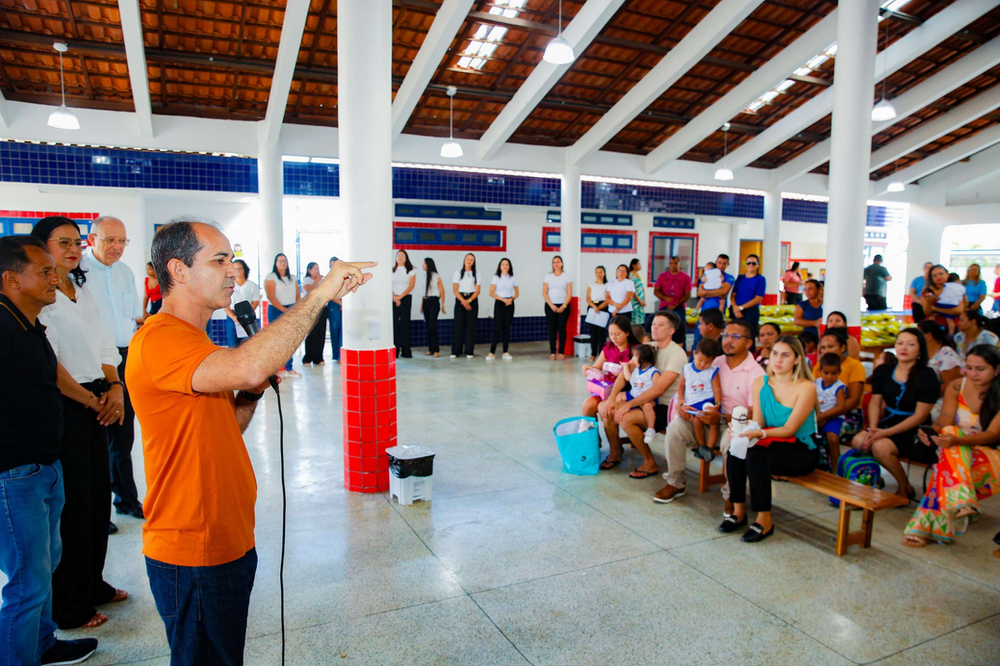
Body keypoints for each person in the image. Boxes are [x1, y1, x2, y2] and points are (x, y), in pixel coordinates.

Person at [127, 220, 374, 665]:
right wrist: (319, 294)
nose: (231, 270)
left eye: (231, 259)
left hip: (228, 537)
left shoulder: (194, 340)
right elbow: (247, 364)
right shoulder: (161, 339)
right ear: (178, 270)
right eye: (218, 260)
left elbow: (224, 426)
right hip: (192, 547)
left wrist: (253, 391)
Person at [0, 235, 99, 666]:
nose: (54, 279)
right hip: (13, 473)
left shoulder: (29, 321)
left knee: (46, 563)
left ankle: (42, 645)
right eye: (44, 271)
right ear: (10, 279)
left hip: (44, 464)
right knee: (27, 581)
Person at [32, 217, 128, 630]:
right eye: (63, 242)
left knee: (96, 499)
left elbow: (105, 341)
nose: (73, 249)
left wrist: (114, 387)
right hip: (68, 402)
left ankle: (94, 582)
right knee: (72, 506)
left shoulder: (80, 285)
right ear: (41, 248)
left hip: (98, 393)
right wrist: (92, 399)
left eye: (75, 242)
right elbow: (48, 361)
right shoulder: (41, 292)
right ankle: (70, 604)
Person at [655, 319, 766, 508]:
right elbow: (688, 385)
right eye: (725, 335)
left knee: (734, 443)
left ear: (749, 343)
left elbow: (755, 415)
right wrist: (682, 405)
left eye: (735, 336)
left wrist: (722, 417)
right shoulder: (715, 362)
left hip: (732, 425)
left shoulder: (756, 373)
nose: (728, 340)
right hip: (699, 419)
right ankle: (675, 482)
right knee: (674, 428)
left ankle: (731, 496)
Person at [721, 335, 819, 542]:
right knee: (736, 448)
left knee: (755, 455)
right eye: (775, 354)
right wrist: (740, 430)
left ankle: (764, 519)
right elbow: (759, 422)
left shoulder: (806, 387)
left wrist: (758, 434)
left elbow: (789, 429)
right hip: (773, 443)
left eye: (785, 355)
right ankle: (738, 511)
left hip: (801, 449)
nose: (778, 360)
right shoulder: (760, 383)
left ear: (797, 359)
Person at [81, 215, 146, 523]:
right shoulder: (77, 273)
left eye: (122, 241)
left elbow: (135, 316)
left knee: (123, 435)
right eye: (110, 240)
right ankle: (98, 509)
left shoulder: (125, 272)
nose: (117, 247)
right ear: (92, 239)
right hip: (92, 363)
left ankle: (126, 498)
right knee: (97, 438)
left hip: (125, 358)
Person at [903, 345, 1000, 547]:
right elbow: (944, 421)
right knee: (949, 434)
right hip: (957, 452)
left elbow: (992, 435)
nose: (973, 374)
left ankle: (927, 525)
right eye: (969, 368)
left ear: (997, 370)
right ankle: (960, 501)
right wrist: (930, 431)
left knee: (945, 467)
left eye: (980, 369)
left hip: (991, 454)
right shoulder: (957, 386)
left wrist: (956, 441)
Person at [851, 328, 941, 500]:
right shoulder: (884, 371)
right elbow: (875, 403)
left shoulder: (927, 377)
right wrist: (873, 429)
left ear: (920, 350)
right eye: (900, 343)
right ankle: (873, 479)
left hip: (914, 429)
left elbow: (920, 416)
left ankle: (904, 486)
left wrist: (884, 434)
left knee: (880, 446)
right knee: (859, 441)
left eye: (911, 344)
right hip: (887, 423)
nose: (904, 348)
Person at [599, 311, 687, 479]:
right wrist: (611, 399)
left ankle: (649, 461)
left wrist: (629, 404)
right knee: (604, 407)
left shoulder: (677, 354)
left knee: (626, 417)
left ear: (671, 330)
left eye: (661, 325)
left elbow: (659, 389)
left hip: (664, 406)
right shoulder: (649, 347)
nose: (655, 327)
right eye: (654, 323)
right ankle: (615, 451)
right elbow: (626, 372)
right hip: (641, 397)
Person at [812, 328, 866, 456]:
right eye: (823, 348)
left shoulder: (855, 366)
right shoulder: (820, 366)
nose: (826, 351)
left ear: (842, 348)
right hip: (822, 412)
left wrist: (825, 416)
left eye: (831, 346)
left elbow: (853, 400)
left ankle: (832, 472)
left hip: (848, 414)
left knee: (826, 436)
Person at [581, 316, 639, 419]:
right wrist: (589, 370)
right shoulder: (608, 348)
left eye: (617, 334)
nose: (613, 338)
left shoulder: (636, 350)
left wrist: (623, 374)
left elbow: (641, 375)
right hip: (609, 387)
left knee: (605, 410)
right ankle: (593, 434)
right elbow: (596, 367)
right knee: (588, 406)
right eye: (611, 334)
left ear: (627, 333)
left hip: (627, 389)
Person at [682, 337, 723, 463]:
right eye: (700, 360)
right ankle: (701, 447)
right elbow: (681, 386)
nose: (703, 364)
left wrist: (717, 404)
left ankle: (709, 448)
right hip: (693, 404)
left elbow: (717, 390)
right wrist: (681, 400)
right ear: (694, 353)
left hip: (708, 401)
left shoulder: (712, 372)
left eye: (707, 362)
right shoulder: (687, 369)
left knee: (713, 422)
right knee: (696, 422)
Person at [264, 253, 301, 377]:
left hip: (291, 308)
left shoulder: (292, 277)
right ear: (276, 263)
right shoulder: (271, 277)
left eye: (284, 260)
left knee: (290, 339)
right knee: (276, 339)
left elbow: (297, 294)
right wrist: (284, 310)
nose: (283, 263)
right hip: (276, 309)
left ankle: (289, 367)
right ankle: (275, 369)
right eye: (280, 261)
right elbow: (271, 296)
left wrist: (294, 308)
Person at [618, 344, 661, 445]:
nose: (633, 359)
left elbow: (658, 388)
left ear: (642, 359)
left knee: (647, 406)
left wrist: (648, 397)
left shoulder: (653, 372)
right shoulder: (637, 370)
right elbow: (628, 378)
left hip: (647, 398)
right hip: (634, 395)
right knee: (618, 396)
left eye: (635, 357)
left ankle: (651, 429)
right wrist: (625, 366)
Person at [693, 254, 734, 348]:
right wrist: (717, 292)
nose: (721, 265)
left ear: (728, 264)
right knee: (698, 343)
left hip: (718, 316)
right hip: (704, 315)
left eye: (724, 263)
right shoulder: (707, 275)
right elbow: (700, 292)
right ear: (716, 262)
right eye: (719, 263)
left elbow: (724, 291)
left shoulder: (729, 277)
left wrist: (707, 292)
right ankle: (694, 362)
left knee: (717, 345)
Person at [815, 353, 847, 469]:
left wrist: (824, 416)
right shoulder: (816, 383)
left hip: (833, 417)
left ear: (840, 372)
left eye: (834, 373)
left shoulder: (839, 386)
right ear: (820, 370)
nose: (829, 377)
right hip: (817, 415)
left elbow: (840, 407)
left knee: (832, 438)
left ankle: (836, 468)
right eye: (826, 373)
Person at [653, 256, 692, 348]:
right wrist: (665, 298)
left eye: (675, 263)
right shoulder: (662, 276)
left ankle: (682, 352)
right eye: (671, 263)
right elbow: (656, 291)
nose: (673, 265)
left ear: (679, 264)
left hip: (679, 307)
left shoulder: (685, 277)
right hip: (664, 307)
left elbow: (687, 294)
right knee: (660, 330)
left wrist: (676, 303)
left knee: (680, 331)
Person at [917, 320, 962, 398]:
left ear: (928, 336)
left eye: (918, 334)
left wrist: (926, 395)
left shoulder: (947, 354)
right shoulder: (921, 353)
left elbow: (951, 385)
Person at [223, 259, 260, 349]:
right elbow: (225, 304)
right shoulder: (228, 285)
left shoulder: (252, 285)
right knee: (232, 345)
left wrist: (246, 315)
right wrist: (234, 318)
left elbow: (255, 301)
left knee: (248, 345)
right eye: (235, 269)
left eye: (240, 269)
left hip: (247, 316)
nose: (238, 271)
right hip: (232, 317)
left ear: (245, 270)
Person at [487, 257, 518, 361]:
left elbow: (517, 293)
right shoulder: (496, 277)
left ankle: (505, 351)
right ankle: (492, 352)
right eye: (503, 264)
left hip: (510, 304)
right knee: (497, 328)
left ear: (509, 267)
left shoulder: (513, 277)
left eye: (507, 264)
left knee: (506, 328)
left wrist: (511, 299)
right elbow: (491, 293)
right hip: (500, 303)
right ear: (500, 266)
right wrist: (502, 300)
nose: (505, 266)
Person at [543, 255, 573, 361]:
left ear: (562, 263)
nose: (556, 264)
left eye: (558, 262)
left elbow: (569, 293)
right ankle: (552, 352)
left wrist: (563, 306)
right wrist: (552, 305)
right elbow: (545, 293)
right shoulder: (548, 276)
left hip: (563, 306)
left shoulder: (566, 276)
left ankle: (561, 352)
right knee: (552, 329)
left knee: (562, 328)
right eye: (554, 262)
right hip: (550, 306)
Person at [729, 253, 766, 339]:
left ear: (758, 265)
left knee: (748, 337)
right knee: (736, 336)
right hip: (737, 311)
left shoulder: (760, 279)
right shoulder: (740, 278)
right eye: (748, 263)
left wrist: (741, 307)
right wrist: (735, 308)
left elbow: (758, 298)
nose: (751, 265)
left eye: (754, 263)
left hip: (751, 311)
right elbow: (733, 295)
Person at [452, 253, 481, 359]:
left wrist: (468, 301)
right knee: (458, 325)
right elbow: (455, 289)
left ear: (474, 262)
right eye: (467, 259)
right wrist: (463, 301)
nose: (469, 261)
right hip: (460, 299)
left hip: (472, 299)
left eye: (471, 260)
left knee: (471, 326)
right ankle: (456, 351)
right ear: (464, 260)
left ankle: (469, 351)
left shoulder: (476, 274)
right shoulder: (457, 273)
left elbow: (477, 290)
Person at [301, 262, 328, 366]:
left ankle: (318, 357)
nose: (318, 271)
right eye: (315, 269)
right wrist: (317, 280)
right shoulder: (307, 280)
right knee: (312, 333)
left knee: (321, 334)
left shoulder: (321, 281)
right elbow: (311, 291)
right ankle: (308, 358)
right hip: (311, 310)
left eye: (318, 268)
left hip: (322, 309)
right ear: (309, 270)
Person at [391, 250, 416, 359]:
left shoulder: (410, 270)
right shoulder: (391, 270)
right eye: (398, 255)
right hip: (392, 298)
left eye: (403, 256)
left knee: (405, 325)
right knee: (394, 325)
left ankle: (406, 351)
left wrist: (400, 297)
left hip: (405, 298)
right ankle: (394, 352)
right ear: (396, 258)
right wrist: (394, 297)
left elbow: (411, 285)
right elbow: (387, 285)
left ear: (406, 258)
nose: (400, 257)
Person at [420, 257, 445, 357]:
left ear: (428, 265)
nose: (423, 265)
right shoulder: (424, 276)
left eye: (424, 264)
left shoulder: (436, 276)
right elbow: (423, 292)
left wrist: (443, 304)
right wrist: (422, 305)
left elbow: (442, 290)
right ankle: (430, 349)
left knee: (432, 325)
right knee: (429, 326)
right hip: (426, 302)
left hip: (434, 302)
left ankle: (436, 349)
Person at [586, 266, 610, 360]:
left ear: (604, 273)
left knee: (601, 333)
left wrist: (599, 307)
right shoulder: (591, 285)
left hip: (603, 307)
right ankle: (593, 353)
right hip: (592, 307)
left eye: (601, 272)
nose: (599, 274)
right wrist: (594, 307)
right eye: (597, 272)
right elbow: (587, 298)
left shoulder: (607, 285)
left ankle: (601, 354)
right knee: (593, 333)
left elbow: (608, 299)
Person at [327, 256, 344, 363]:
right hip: (334, 305)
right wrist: (341, 303)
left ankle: (341, 356)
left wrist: (345, 304)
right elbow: (330, 294)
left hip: (344, 305)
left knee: (343, 330)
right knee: (335, 329)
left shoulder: (346, 277)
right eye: (331, 265)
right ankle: (336, 355)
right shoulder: (328, 278)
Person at [628, 258, 646, 327]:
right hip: (635, 301)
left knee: (641, 321)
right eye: (638, 264)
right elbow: (633, 290)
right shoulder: (630, 276)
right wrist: (639, 301)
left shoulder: (639, 275)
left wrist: (644, 299)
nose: (640, 265)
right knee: (634, 321)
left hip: (641, 301)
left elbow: (642, 287)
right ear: (634, 265)